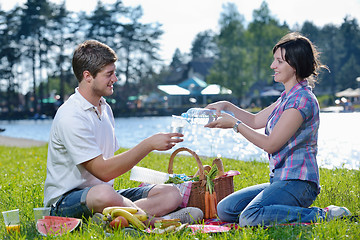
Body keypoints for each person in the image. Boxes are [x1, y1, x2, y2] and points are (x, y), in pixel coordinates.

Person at [43, 40, 203, 225]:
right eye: (109, 74)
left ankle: (116, 219)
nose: (115, 79)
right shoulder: (71, 116)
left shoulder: (104, 108)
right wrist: (148, 144)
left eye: (114, 73)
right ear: (88, 76)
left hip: (105, 194)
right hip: (66, 202)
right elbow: (103, 171)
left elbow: (109, 169)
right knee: (103, 193)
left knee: (171, 193)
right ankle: (154, 221)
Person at [205, 32, 351, 226]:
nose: (273, 66)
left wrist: (234, 125)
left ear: (295, 65)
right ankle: (281, 212)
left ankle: (324, 215)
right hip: (281, 180)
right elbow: (256, 120)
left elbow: (271, 144)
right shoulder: (287, 97)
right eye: (275, 60)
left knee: (249, 217)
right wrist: (226, 106)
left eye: (279, 61)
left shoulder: (301, 100)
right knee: (225, 210)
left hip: (299, 183)